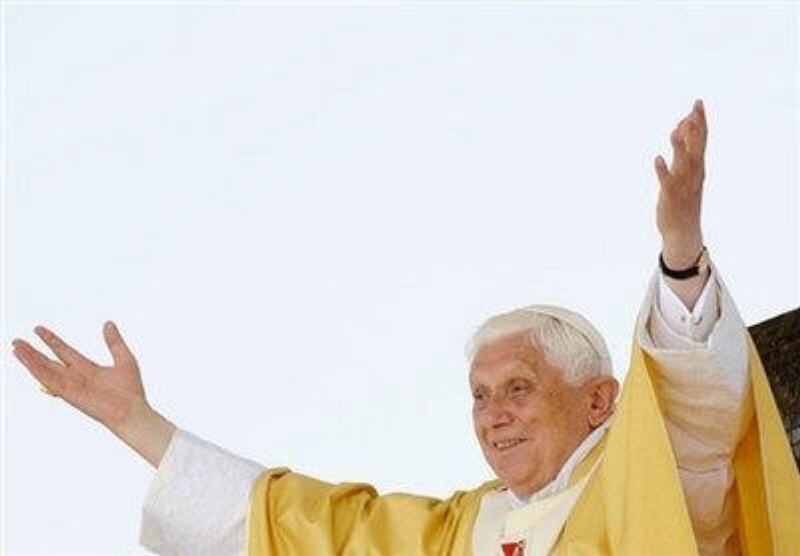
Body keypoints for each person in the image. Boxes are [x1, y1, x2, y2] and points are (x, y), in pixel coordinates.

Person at [11, 100, 799, 555]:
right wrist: (138, 423)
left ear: (598, 400)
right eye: (480, 395)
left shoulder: (651, 479)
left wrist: (680, 255)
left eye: (518, 388)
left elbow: (698, 410)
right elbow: (308, 530)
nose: (493, 414)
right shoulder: (462, 530)